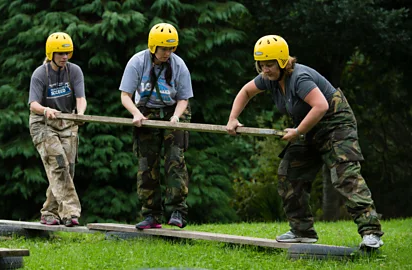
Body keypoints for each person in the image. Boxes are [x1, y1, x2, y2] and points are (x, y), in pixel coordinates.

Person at [226, 35, 384, 249]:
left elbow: (320, 106)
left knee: (345, 176)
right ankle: (302, 231)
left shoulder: (300, 78)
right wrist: (233, 118)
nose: (265, 70)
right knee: (289, 174)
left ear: (282, 62)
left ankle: (371, 233)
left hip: (335, 126)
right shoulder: (268, 79)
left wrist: (298, 130)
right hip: (307, 128)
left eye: (270, 65)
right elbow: (246, 92)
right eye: (261, 65)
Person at [119, 23, 194, 230]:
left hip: (174, 110)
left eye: (171, 48)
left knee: (175, 160)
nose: (167, 53)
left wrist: (177, 117)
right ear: (153, 47)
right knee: (146, 164)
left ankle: (178, 210)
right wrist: (136, 113)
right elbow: (125, 95)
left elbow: (184, 98)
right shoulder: (137, 62)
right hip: (145, 110)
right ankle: (151, 214)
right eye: (163, 49)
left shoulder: (179, 65)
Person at [28, 32, 87, 227]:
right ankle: (70, 213)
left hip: (67, 122)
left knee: (68, 167)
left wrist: (80, 112)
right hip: (43, 124)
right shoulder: (40, 73)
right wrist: (46, 110)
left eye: (67, 53)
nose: (65, 57)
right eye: (60, 53)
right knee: (58, 163)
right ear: (51, 53)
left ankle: (49, 212)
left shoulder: (75, 71)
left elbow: (80, 97)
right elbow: (33, 104)